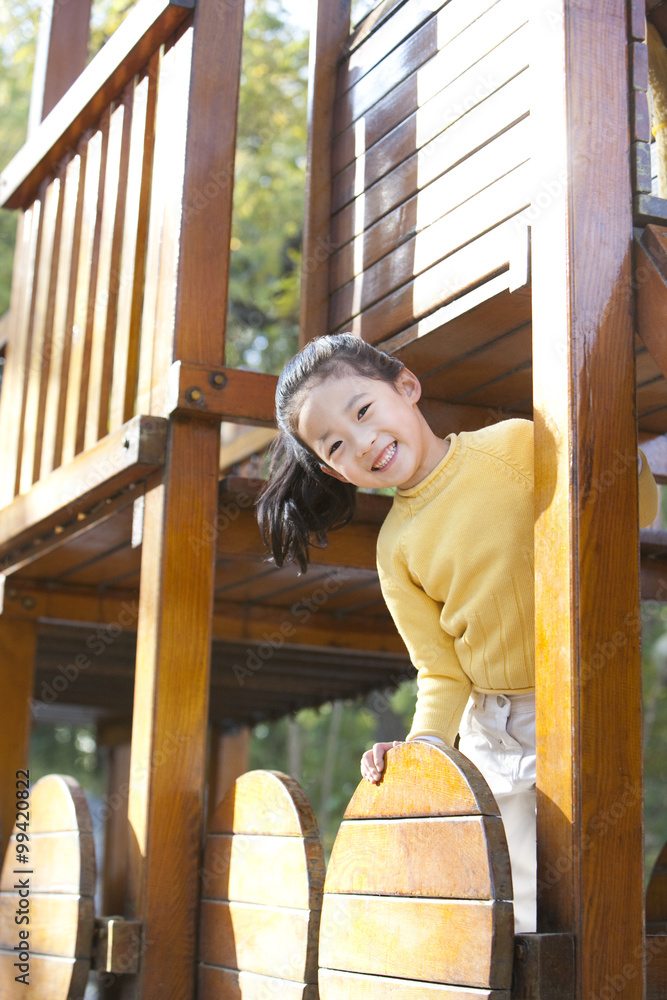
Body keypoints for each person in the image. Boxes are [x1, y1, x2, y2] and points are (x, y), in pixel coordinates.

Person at [256, 332, 659, 934]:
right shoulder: (395, 548)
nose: (363, 442)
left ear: (406, 386)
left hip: (581, 693)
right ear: (328, 468)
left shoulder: (515, 444)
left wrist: (617, 444)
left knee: (599, 886)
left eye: (364, 410)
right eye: (336, 444)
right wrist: (421, 752)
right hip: (494, 730)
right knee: (516, 911)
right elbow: (441, 670)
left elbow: (635, 512)